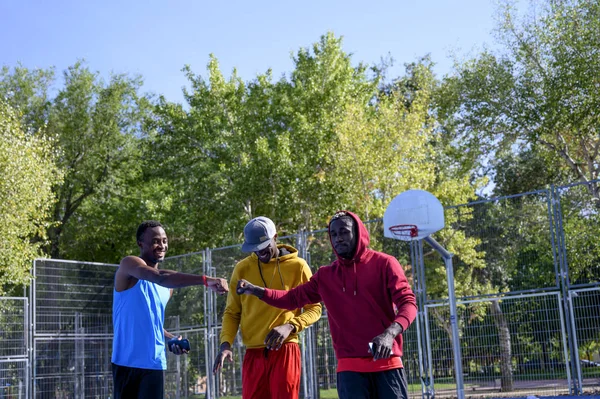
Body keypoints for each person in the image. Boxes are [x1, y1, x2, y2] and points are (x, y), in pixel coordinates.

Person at [237, 211, 417, 399]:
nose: (338, 238)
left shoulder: (385, 263)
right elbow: (290, 299)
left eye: (344, 232)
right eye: (334, 234)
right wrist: (256, 290)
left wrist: (390, 333)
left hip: (386, 364)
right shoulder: (325, 276)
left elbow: (408, 303)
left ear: (358, 232)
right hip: (350, 369)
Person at [112, 220, 229, 399]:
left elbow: (152, 323)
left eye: (165, 240)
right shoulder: (129, 265)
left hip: (154, 365)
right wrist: (205, 280)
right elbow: (160, 277)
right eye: (156, 241)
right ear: (140, 244)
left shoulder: (168, 288)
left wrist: (172, 338)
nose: (162, 245)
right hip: (125, 363)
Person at [213, 216, 322, 399]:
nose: (259, 252)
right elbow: (232, 312)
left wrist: (290, 326)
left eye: (263, 247)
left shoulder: (298, 266)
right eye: (254, 249)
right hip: (253, 354)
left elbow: (315, 308)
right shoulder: (242, 268)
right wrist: (226, 344)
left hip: (285, 350)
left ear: (275, 238)